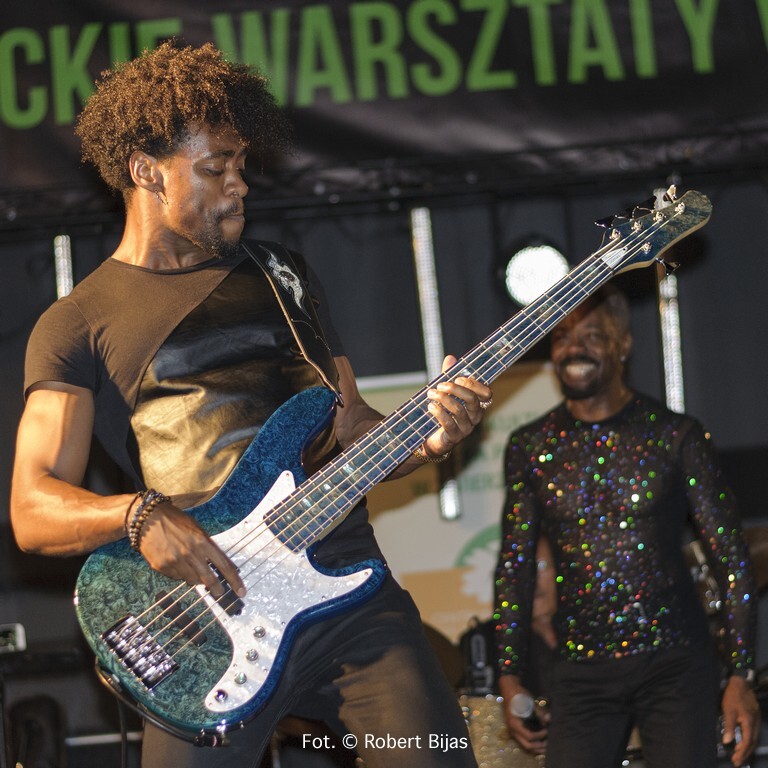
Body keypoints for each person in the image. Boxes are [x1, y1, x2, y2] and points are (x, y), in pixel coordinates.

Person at [9, 40, 493, 768]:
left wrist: (424, 438)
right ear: (145, 171)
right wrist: (138, 515)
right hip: (207, 618)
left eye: (241, 165)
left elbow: (351, 424)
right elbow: (32, 507)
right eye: (215, 168)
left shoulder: (281, 273)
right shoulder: (78, 322)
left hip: (349, 597)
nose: (239, 185)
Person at [493, 285, 760, 768]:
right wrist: (509, 673)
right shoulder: (530, 447)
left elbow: (732, 560)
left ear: (623, 345)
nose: (572, 349)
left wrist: (742, 673)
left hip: (675, 660)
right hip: (580, 668)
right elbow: (515, 565)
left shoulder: (675, 435)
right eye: (561, 338)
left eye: (591, 336)